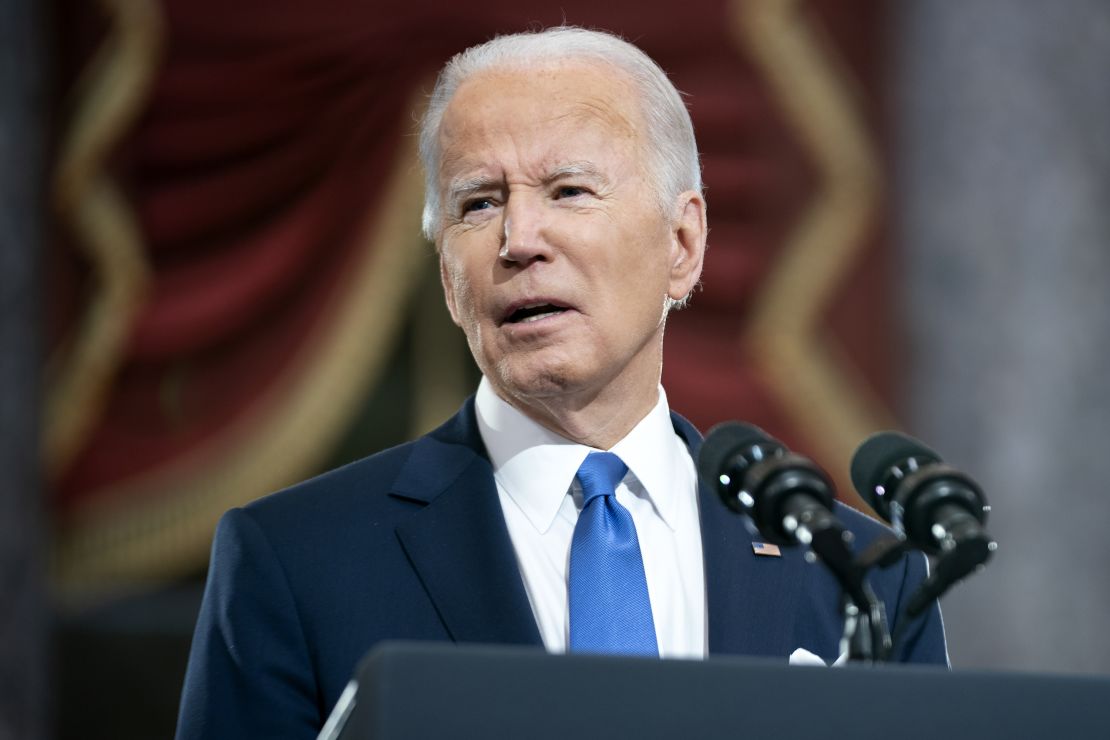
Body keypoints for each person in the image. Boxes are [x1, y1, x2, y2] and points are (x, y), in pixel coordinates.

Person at [175, 26, 947, 739]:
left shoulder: (858, 574)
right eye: (478, 204)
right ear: (448, 277)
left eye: (568, 191)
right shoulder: (295, 560)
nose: (518, 240)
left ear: (683, 244)